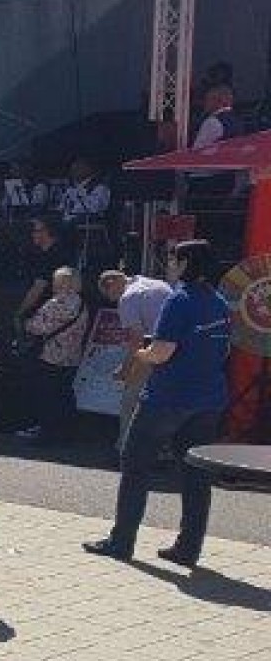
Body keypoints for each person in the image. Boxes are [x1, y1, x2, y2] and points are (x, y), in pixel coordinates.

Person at [86, 240, 230, 566]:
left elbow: (162, 352)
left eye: (174, 259)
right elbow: (223, 350)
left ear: (186, 263)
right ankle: (188, 548)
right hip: (209, 398)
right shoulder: (219, 301)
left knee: (135, 465)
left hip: (168, 397)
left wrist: (141, 354)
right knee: (196, 474)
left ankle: (121, 541)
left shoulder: (179, 299)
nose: (170, 265)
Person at [97, 268, 176, 448]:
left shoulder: (128, 298)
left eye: (109, 295)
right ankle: (165, 448)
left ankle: (125, 446)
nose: (112, 300)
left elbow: (136, 340)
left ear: (112, 284)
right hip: (179, 349)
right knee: (167, 402)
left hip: (154, 347)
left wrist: (125, 369)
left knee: (130, 400)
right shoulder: (158, 284)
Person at [18, 266, 88, 444]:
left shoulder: (56, 303)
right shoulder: (81, 303)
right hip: (72, 356)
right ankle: (66, 431)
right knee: (65, 394)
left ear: (61, 283)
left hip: (51, 354)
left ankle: (47, 432)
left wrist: (24, 322)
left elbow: (37, 327)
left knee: (47, 395)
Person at [15, 216, 68, 320]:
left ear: (48, 231)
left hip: (51, 311)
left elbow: (38, 288)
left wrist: (20, 313)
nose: (32, 234)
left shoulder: (54, 255)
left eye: (36, 231)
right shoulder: (41, 253)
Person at [191, 82, 243, 148]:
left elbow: (198, 149)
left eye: (208, 99)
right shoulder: (238, 121)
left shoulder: (212, 122)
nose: (204, 104)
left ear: (217, 100)